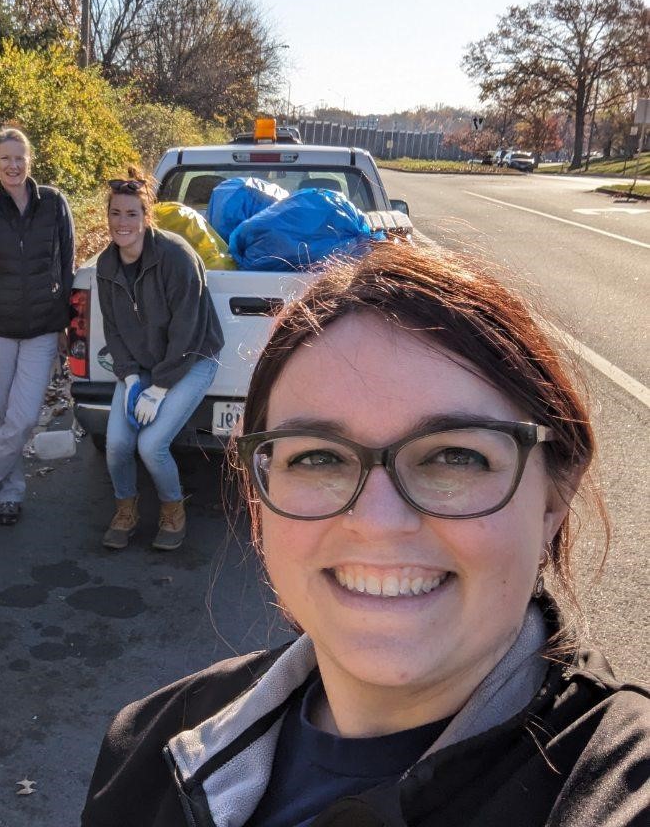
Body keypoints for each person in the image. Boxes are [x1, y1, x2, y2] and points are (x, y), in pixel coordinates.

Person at [81, 244, 650, 826]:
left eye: (456, 457)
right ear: (258, 492)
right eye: (319, 458)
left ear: (554, 497)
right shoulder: (147, 748)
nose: (378, 523)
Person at [95, 170, 223, 551]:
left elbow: (187, 331)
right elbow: (114, 330)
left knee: (151, 445)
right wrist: (131, 379)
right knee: (117, 444)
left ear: (146, 217)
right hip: (143, 366)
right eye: (116, 214)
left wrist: (160, 387)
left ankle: (172, 512)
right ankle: (126, 511)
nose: (123, 223)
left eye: (132, 214)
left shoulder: (176, 256)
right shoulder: (106, 266)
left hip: (193, 358)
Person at [0, 127, 75, 526]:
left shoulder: (55, 203)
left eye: (19, 157)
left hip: (43, 326)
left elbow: (67, 267)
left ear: (31, 161)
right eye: (5, 158)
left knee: (23, 417)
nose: (13, 165)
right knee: (0, 413)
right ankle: (10, 494)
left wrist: (66, 324)